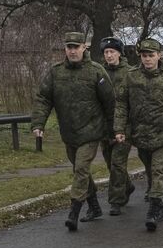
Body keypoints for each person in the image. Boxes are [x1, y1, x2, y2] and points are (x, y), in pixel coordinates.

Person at [31, 32, 115, 232]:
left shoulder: (96, 71)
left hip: (91, 131)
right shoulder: (56, 72)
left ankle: (74, 213)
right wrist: (38, 124)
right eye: (69, 47)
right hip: (69, 133)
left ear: (84, 48)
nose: (72, 51)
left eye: (76, 47)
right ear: (65, 49)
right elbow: (44, 98)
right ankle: (94, 206)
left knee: (81, 170)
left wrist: (113, 130)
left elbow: (110, 103)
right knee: (80, 170)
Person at [114, 38, 163, 231]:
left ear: (159, 56)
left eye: (151, 55)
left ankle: (153, 211)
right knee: (150, 172)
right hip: (141, 135)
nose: (147, 59)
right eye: (144, 56)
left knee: (158, 172)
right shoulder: (131, 77)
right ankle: (162, 206)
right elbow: (122, 104)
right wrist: (119, 129)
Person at [99, 37, 135, 216]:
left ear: (119, 53)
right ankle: (127, 185)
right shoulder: (99, 72)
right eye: (106, 52)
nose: (109, 55)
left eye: (112, 52)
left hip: (125, 125)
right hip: (104, 125)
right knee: (109, 163)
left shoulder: (129, 73)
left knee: (117, 163)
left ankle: (116, 201)